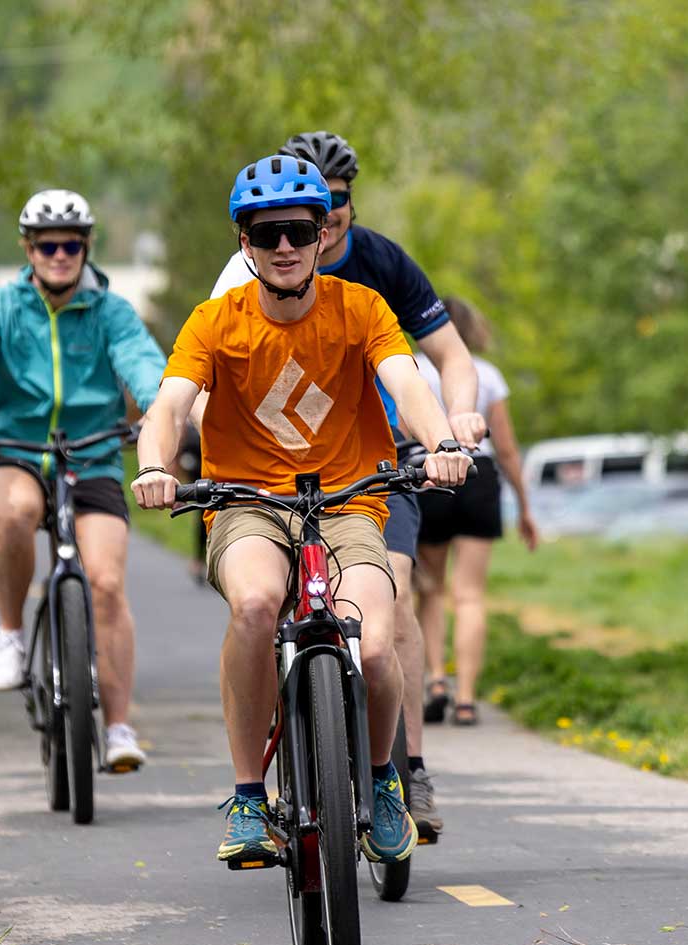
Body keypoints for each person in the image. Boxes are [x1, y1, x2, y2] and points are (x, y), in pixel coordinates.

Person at [133, 153, 471, 866]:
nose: (283, 246)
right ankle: (249, 797)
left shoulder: (362, 309)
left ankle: (383, 780)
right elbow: (167, 407)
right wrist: (156, 467)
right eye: (266, 234)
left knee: (374, 639)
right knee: (256, 605)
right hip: (249, 503)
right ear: (244, 244)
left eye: (297, 230)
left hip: (350, 500)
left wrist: (441, 442)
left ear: (323, 234)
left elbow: (407, 383)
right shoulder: (215, 322)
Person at [0, 189, 166, 772]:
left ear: (86, 247)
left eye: (70, 245)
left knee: (107, 583)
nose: (59, 255)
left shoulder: (111, 312)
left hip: (92, 455)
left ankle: (119, 728)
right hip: (13, 451)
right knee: (14, 513)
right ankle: (11, 636)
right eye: (47, 246)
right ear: (28, 249)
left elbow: (143, 364)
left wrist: (161, 409)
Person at [415, 299, 538, 731]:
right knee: (469, 595)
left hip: (428, 473)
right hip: (478, 475)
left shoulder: (411, 369)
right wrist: (524, 507)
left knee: (429, 590)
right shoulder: (486, 374)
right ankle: (466, 698)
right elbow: (505, 447)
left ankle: (436, 681)